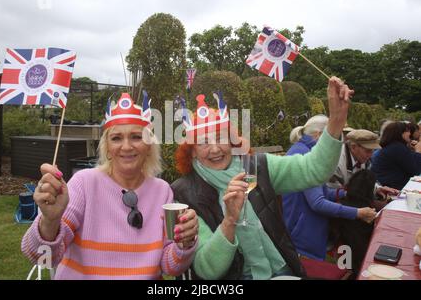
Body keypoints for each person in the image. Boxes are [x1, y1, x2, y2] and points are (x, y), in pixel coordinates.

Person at [171, 76, 354, 280]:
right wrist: (230, 219)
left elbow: (314, 170)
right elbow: (207, 271)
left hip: (282, 267)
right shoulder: (183, 194)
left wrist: (336, 121)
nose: (215, 149)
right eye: (204, 142)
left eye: (221, 138)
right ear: (192, 152)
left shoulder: (256, 167)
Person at [21, 92, 198, 279]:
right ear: (107, 147)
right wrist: (50, 221)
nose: (127, 146)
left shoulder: (162, 191)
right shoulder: (84, 184)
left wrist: (184, 243)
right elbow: (41, 258)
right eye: (116, 138)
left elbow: (170, 267)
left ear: (149, 146)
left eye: (136, 137)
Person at [282, 116, 376, 262]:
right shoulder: (306, 155)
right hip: (304, 235)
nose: (338, 144)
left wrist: (348, 193)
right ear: (319, 135)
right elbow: (318, 203)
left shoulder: (303, 149)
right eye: (335, 137)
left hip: (303, 229)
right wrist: (357, 213)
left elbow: (322, 192)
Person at [327, 129, 399, 202]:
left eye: (373, 150)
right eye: (368, 150)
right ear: (353, 147)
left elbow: (363, 183)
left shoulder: (363, 158)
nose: (371, 155)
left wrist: (377, 189)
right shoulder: (336, 162)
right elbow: (334, 194)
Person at [371, 121, 421, 190]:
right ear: (400, 133)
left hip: (384, 185)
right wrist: (418, 151)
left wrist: (409, 149)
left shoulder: (391, 146)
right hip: (392, 189)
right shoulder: (397, 148)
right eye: (407, 131)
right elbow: (416, 170)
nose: (410, 133)